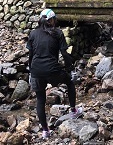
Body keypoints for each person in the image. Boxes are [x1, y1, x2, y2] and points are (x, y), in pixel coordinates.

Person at [27, 9, 82, 139]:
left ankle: (45, 131)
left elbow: (30, 55)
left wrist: (31, 70)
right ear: (52, 20)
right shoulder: (57, 33)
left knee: (40, 99)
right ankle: (74, 111)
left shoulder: (33, 33)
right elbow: (64, 53)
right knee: (69, 82)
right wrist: (71, 68)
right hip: (52, 70)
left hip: (36, 70)